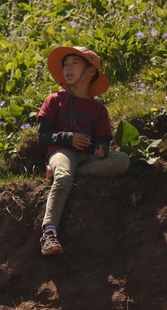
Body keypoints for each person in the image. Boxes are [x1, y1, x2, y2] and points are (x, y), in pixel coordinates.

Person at [37, 46, 130, 256]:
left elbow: (103, 138)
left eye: (74, 63)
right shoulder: (54, 100)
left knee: (122, 159)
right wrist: (68, 137)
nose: (67, 68)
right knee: (63, 175)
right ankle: (49, 233)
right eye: (65, 65)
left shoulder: (99, 109)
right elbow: (42, 136)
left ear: (90, 71)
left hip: (87, 160)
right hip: (62, 151)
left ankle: (64, 175)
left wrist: (100, 147)